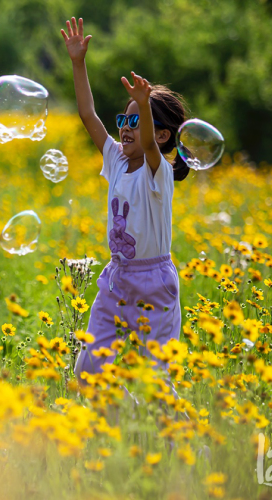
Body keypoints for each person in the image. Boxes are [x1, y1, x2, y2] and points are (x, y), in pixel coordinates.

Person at [61, 17, 188, 380]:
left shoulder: (157, 171)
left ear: (163, 136)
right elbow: (88, 115)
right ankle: (119, 417)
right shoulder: (116, 160)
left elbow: (147, 145)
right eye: (124, 118)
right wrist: (77, 62)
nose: (125, 127)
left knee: (157, 381)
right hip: (117, 278)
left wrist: (144, 105)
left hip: (155, 284)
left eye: (135, 121)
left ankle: (173, 435)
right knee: (88, 370)